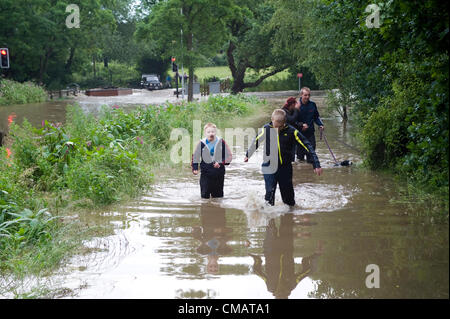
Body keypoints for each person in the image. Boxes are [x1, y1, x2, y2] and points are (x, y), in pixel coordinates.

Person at [244, 109, 322, 207]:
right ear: (272, 119)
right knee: (269, 193)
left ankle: (289, 218)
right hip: (269, 166)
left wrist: (316, 164)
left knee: (288, 200)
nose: (277, 128)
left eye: (279, 126)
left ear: (284, 122)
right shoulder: (266, 129)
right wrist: (248, 154)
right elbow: (256, 141)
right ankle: (269, 219)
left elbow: (307, 145)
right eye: (275, 125)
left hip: (285, 168)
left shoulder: (292, 131)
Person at [249, 213, 323, 299]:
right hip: (286, 247)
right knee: (287, 215)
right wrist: (316, 255)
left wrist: (256, 259)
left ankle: (269, 204)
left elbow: (257, 271)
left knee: (270, 219)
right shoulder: (291, 284)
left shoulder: (271, 286)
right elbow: (308, 270)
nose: (281, 296)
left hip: (270, 247)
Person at [192, 123, 232, 199]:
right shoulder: (201, 143)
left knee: (218, 198)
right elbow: (195, 156)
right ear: (205, 133)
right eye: (209, 132)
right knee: (204, 197)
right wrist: (195, 168)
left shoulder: (221, 142)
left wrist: (220, 163)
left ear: (215, 132)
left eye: (213, 132)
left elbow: (229, 156)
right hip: (205, 174)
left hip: (219, 174)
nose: (211, 134)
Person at [192, 204, 233, 274]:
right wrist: (221, 231)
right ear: (218, 266)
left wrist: (195, 229)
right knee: (218, 201)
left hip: (207, 220)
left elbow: (196, 231)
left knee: (206, 200)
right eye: (215, 269)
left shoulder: (202, 251)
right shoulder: (225, 251)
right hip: (220, 220)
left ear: (207, 266)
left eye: (211, 268)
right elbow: (231, 232)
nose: (213, 267)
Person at [295, 87, 324, 163]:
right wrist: (301, 125)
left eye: (309, 95)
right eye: (305, 95)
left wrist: (320, 125)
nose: (307, 97)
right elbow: (293, 121)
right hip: (299, 134)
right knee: (300, 158)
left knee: (311, 156)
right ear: (301, 95)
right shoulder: (296, 106)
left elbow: (316, 117)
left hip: (310, 133)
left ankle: (310, 172)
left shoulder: (313, 105)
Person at [281, 97, 302, 162]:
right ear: (292, 104)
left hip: (291, 135)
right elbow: (291, 120)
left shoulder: (291, 111)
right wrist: (296, 109)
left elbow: (295, 122)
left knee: (292, 153)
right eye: (295, 104)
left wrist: (301, 125)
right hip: (284, 136)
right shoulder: (283, 111)